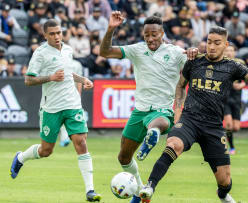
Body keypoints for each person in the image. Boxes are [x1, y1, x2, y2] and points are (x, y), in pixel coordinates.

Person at [139, 26, 248, 203]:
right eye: (209, 42)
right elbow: (180, 85)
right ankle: (149, 186)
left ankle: (223, 195)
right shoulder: (194, 61)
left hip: (213, 126)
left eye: (217, 43)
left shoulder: (232, 66)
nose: (211, 46)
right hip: (190, 120)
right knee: (173, 144)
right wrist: (178, 111)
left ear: (225, 45)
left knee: (225, 181)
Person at [99, 12, 198, 203]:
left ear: (162, 33)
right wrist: (111, 28)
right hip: (139, 111)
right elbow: (105, 52)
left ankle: (152, 133)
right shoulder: (137, 50)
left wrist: (193, 52)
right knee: (123, 158)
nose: (150, 39)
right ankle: (139, 190)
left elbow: (196, 64)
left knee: (158, 123)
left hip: (163, 109)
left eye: (154, 34)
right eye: (147, 35)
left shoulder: (176, 52)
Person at [9, 19, 101, 202]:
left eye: (58, 32)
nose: (57, 36)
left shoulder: (67, 50)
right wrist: (50, 77)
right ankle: (21, 157)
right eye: (52, 33)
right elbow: (28, 80)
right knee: (46, 150)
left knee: (81, 143)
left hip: (72, 104)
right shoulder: (40, 53)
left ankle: (90, 190)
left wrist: (83, 80)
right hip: (51, 107)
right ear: (45, 35)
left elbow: (67, 73)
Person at [223, 44, 246, 155]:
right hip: (225, 98)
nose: (229, 53)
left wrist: (243, 84)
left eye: (231, 50)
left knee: (236, 127)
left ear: (234, 52)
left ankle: (222, 136)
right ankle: (231, 147)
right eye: (227, 50)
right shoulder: (221, 63)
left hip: (237, 98)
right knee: (228, 125)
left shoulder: (240, 63)